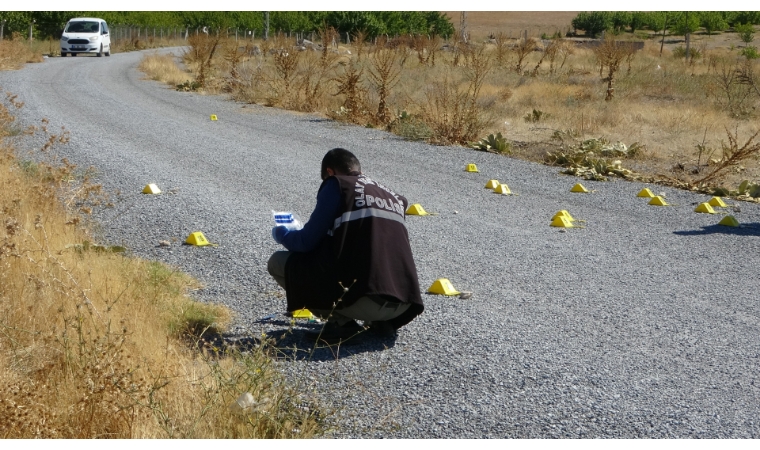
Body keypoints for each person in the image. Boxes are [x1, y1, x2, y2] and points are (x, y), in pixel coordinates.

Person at [268, 148, 423, 342]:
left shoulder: (338, 185)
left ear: (330, 172)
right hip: (403, 305)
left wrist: (282, 233)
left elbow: (305, 243)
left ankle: (341, 323)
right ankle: (380, 324)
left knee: (277, 262)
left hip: (367, 301)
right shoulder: (394, 197)